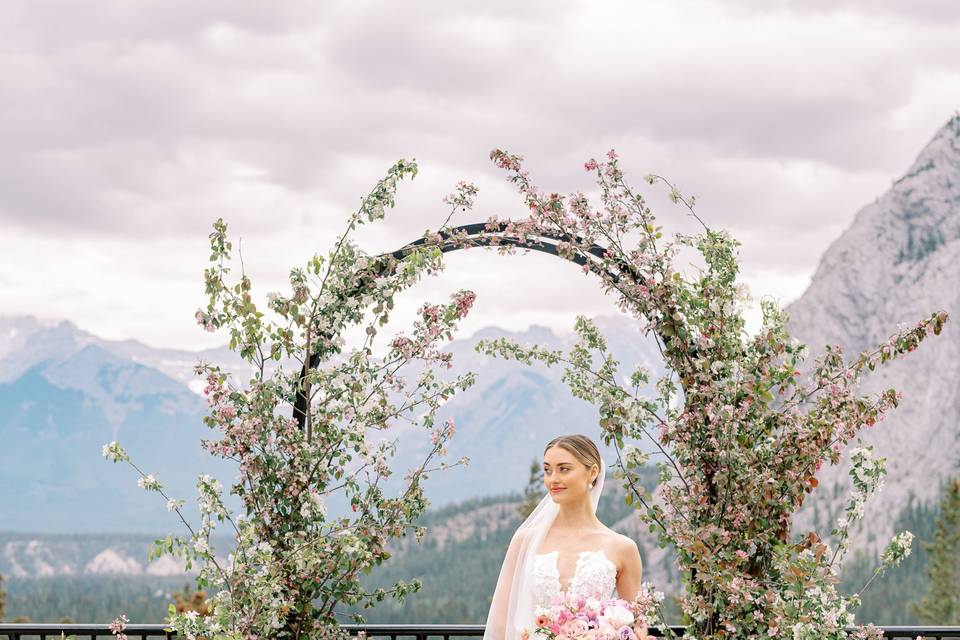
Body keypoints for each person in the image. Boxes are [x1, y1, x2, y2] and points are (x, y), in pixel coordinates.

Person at [483, 434, 646, 640]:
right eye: (547, 470)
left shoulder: (622, 548)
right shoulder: (525, 540)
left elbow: (637, 626)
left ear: (592, 472)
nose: (553, 479)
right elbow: (501, 621)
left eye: (564, 469)